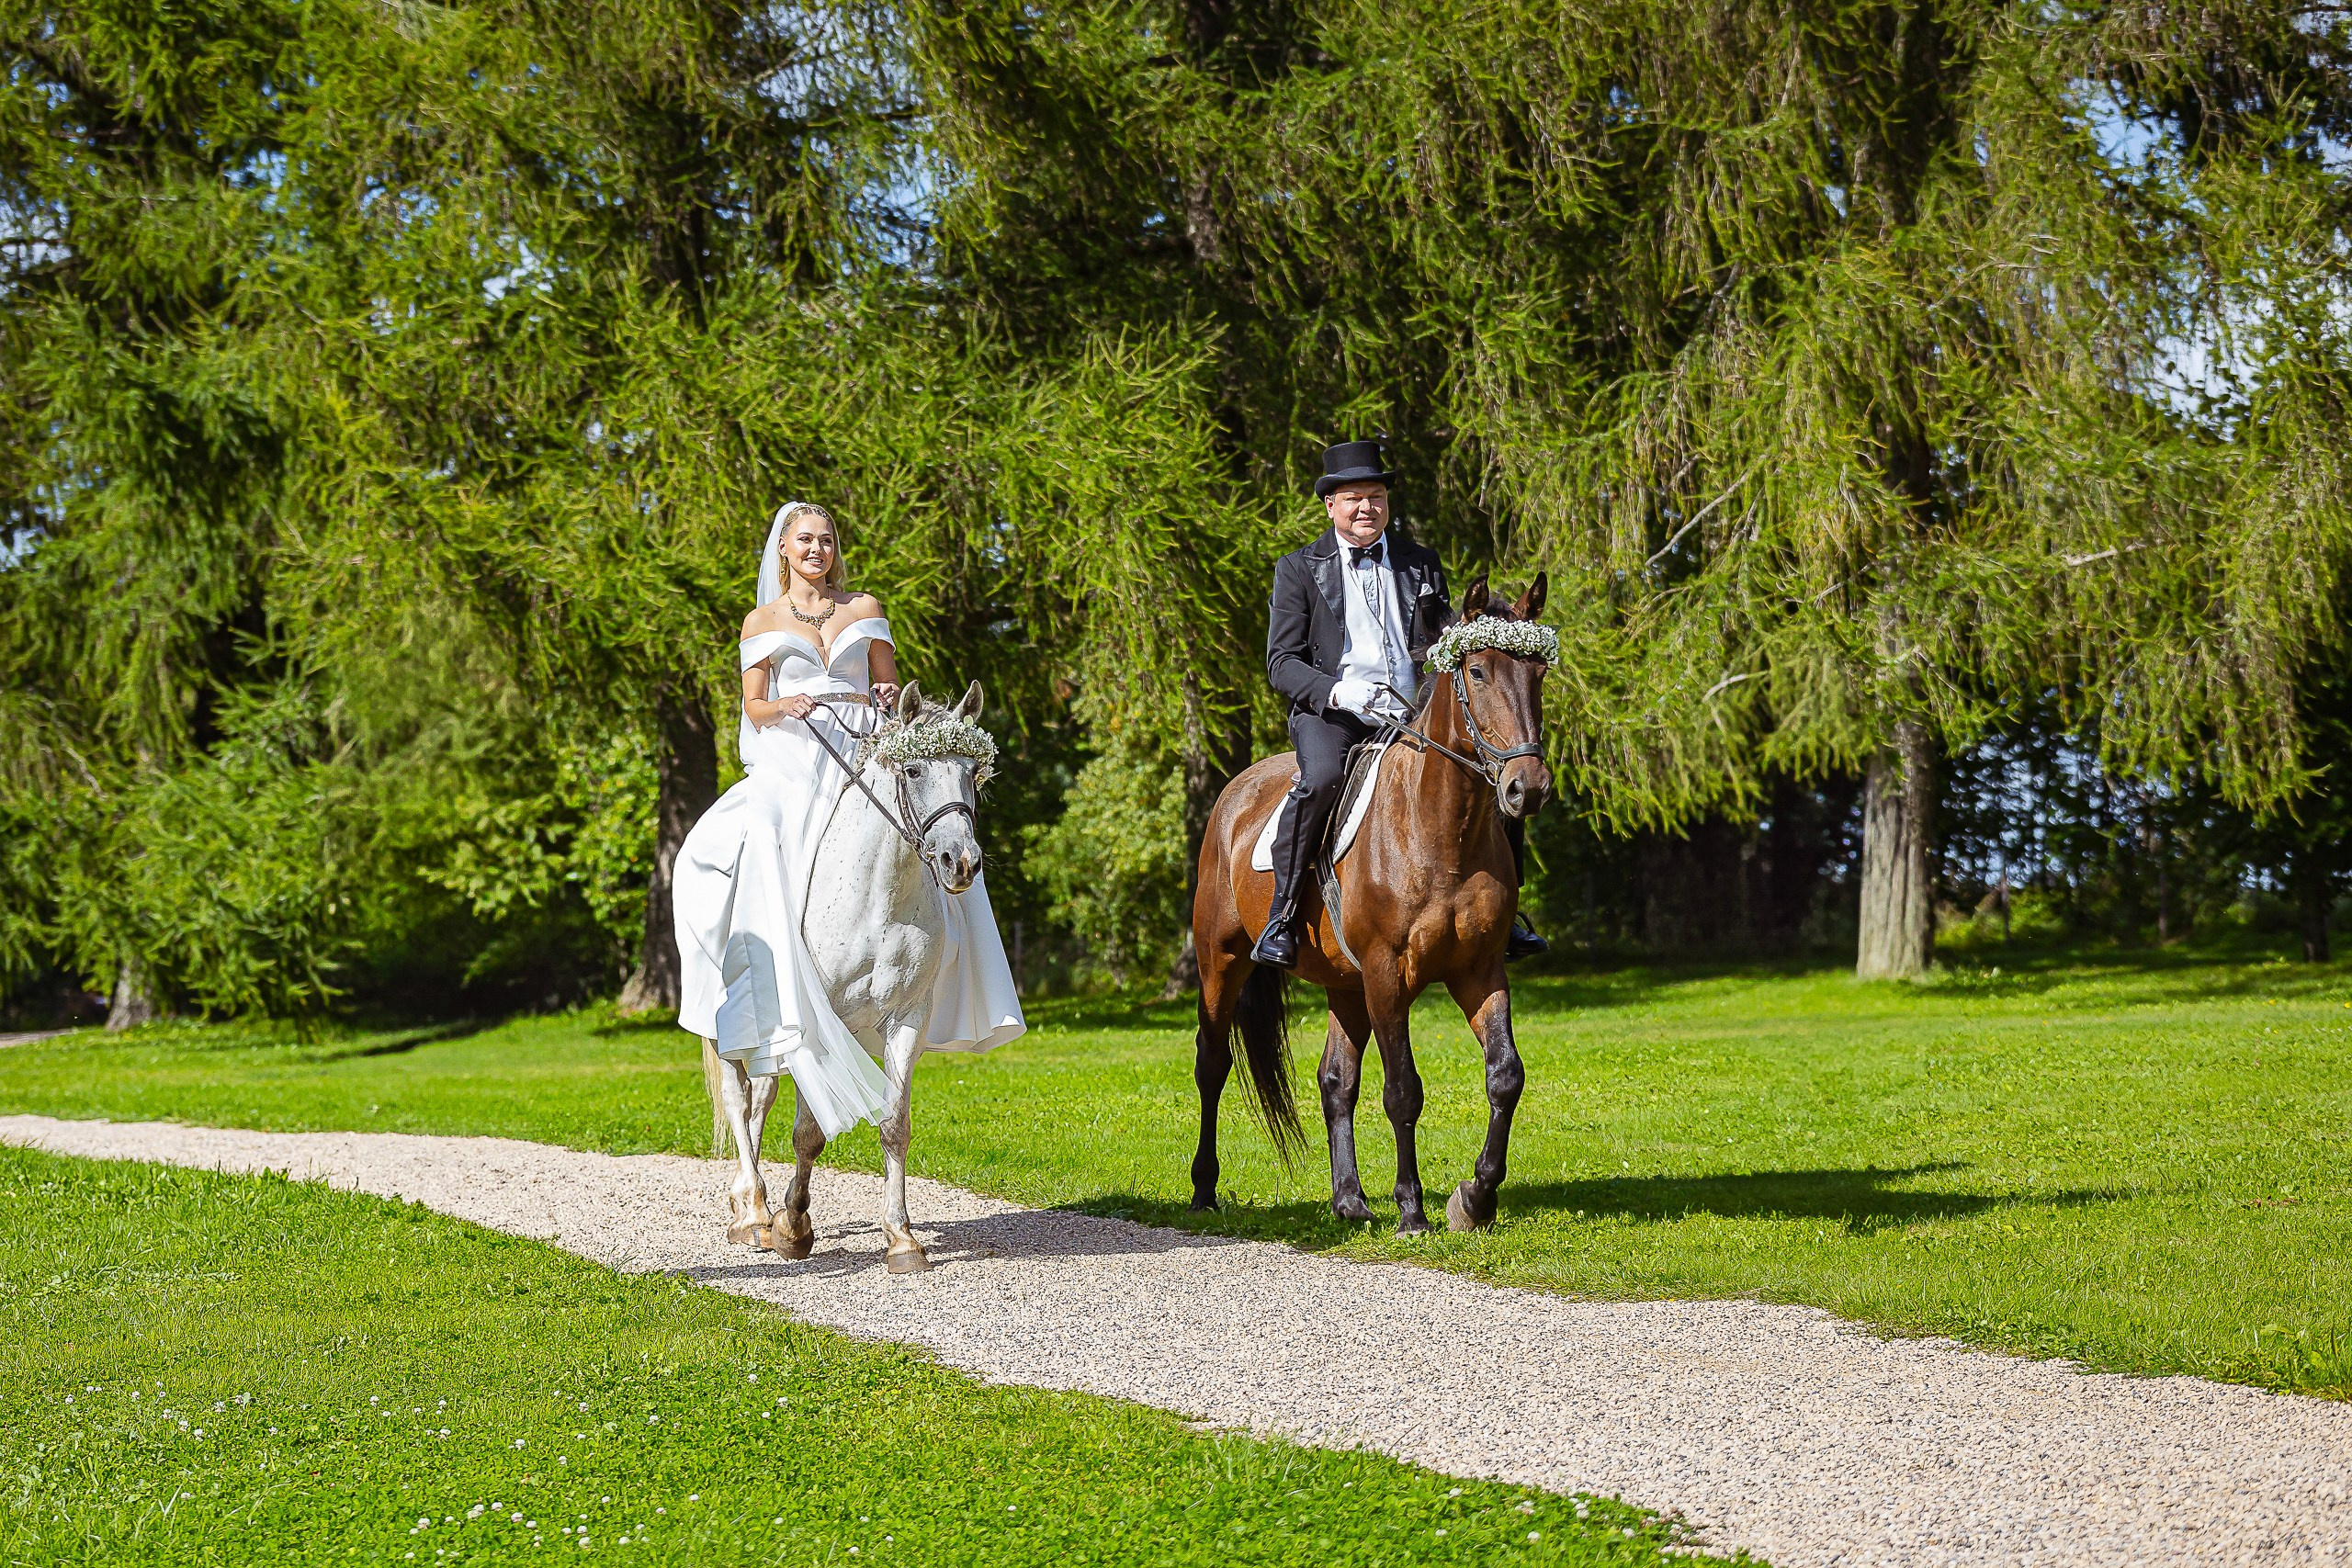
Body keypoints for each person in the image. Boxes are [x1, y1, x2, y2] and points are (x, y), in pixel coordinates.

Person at [671, 502, 1022, 1137]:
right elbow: (752, 706)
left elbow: (889, 687)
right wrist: (787, 702)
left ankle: (957, 965)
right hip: (797, 754)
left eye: (826, 540)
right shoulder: (763, 619)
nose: (816, 550)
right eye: (804, 539)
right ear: (783, 548)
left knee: (941, 836)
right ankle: (752, 979)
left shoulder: (864, 608)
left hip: (865, 750)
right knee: (749, 839)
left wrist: (884, 696)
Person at [1253, 440, 1548, 970]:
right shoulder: (1298, 569)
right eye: (1353, 499)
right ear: (1331, 506)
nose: (1366, 508)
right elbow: (1281, 662)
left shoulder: (1420, 563)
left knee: (1497, 770)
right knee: (1320, 779)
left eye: (1375, 497)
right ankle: (1283, 913)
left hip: (1412, 714)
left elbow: (1438, 642)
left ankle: (1509, 917)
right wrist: (1338, 691)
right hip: (1334, 714)